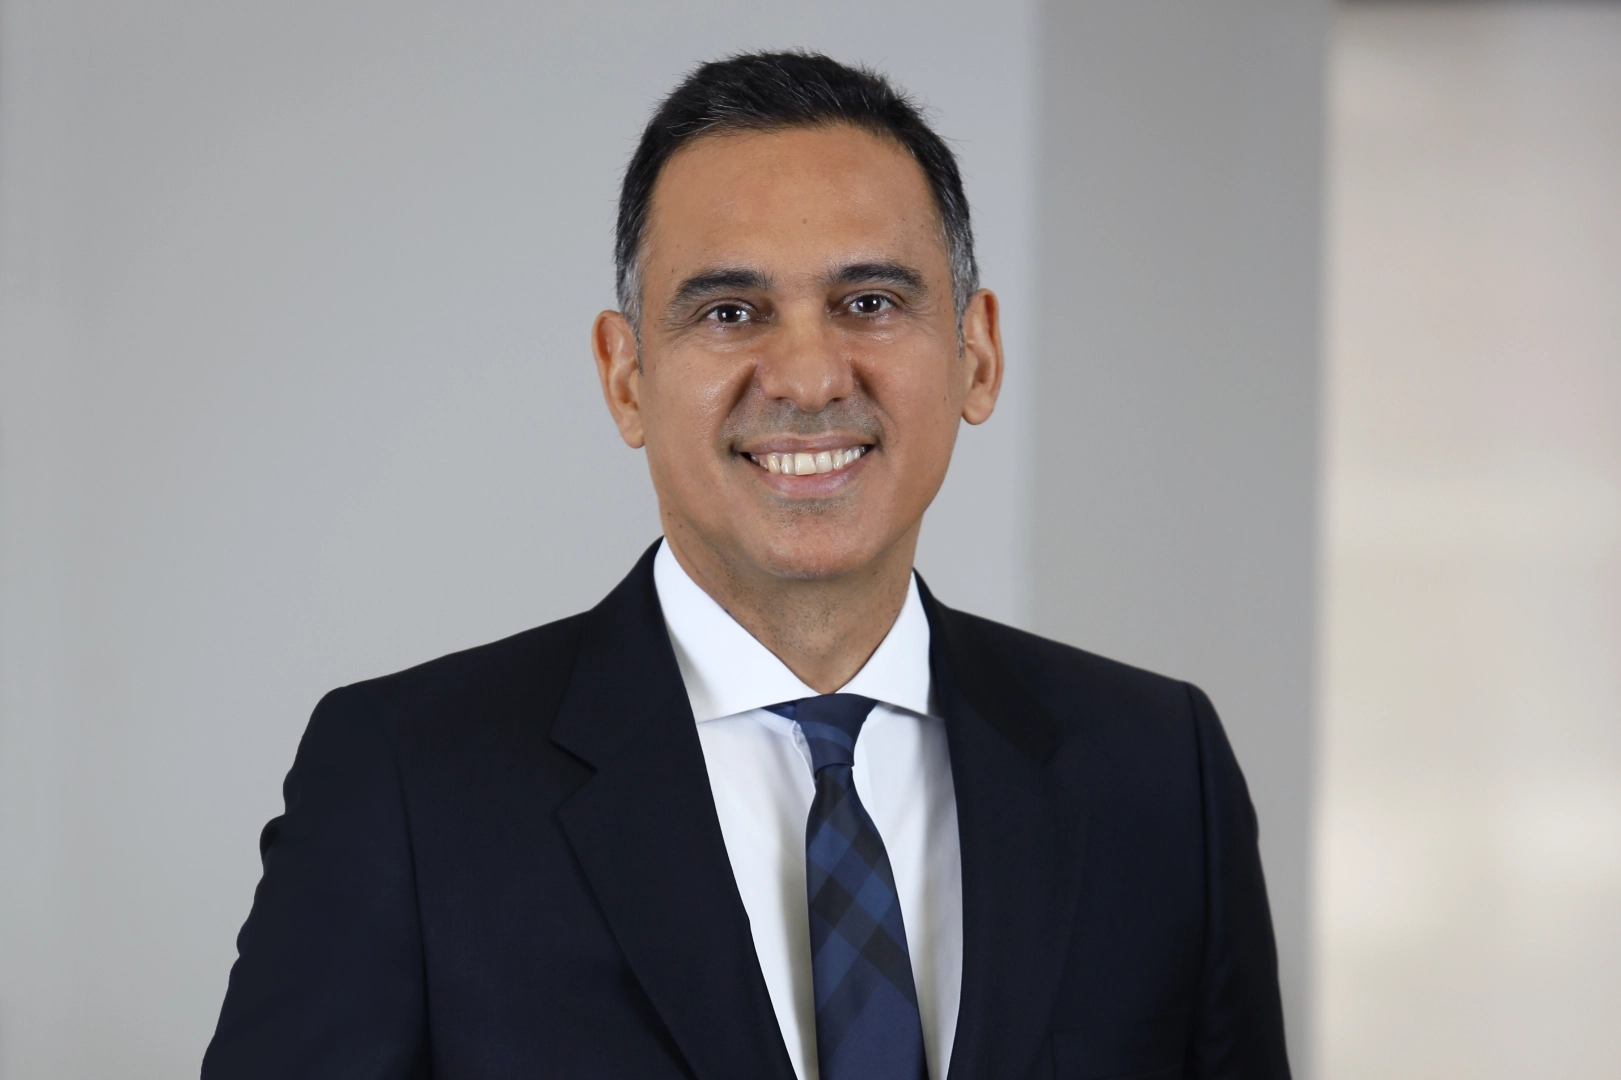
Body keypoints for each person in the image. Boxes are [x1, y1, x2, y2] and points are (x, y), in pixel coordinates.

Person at [202, 51, 1290, 1080]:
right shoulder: (405, 784)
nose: (809, 378)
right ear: (626, 377)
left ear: (976, 354)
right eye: (730, 312)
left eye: (869, 303)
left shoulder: (1159, 772)